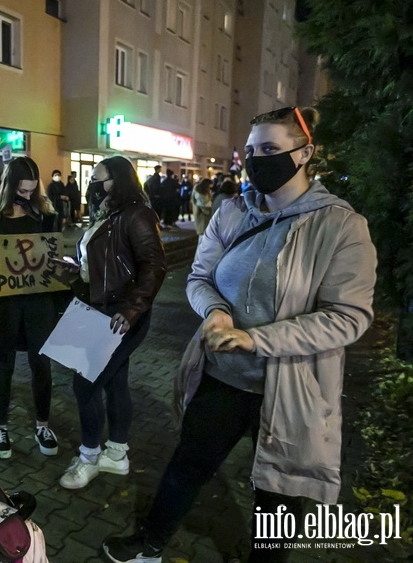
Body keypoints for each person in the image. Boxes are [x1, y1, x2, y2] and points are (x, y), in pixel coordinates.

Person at [102, 107, 377, 563]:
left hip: (291, 387)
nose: (257, 160)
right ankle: (149, 544)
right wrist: (214, 311)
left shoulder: (341, 227)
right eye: (251, 151)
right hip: (223, 376)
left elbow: (347, 317)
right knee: (188, 464)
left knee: (278, 495)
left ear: (305, 153)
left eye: (270, 149)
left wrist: (256, 340)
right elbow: (198, 276)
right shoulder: (232, 212)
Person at [55, 156, 166, 490]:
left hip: (119, 313)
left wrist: (132, 309)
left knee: (85, 384)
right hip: (96, 306)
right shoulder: (106, 212)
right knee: (115, 381)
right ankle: (116, 454)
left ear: (118, 179)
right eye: (91, 178)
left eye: (98, 178)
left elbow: (154, 265)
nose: (92, 183)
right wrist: (78, 271)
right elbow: (105, 262)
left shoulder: (136, 213)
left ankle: (89, 456)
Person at [0, 157, 60, 460]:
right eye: (21, 191)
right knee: (3, 364)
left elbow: (52, 253)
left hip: (38, 301)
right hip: (2, 302)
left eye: (32, 191)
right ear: (9, 185)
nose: (26, 196)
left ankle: (43, 424)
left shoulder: (44, 212)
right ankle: (0, 426)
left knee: (41, 363)